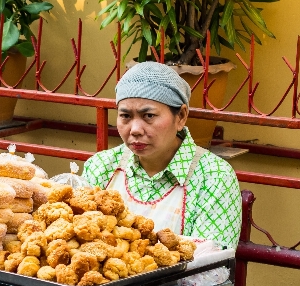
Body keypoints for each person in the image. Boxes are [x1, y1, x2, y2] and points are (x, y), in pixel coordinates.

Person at [82, 62, 242, 249]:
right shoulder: (101, 167)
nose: (135, 130)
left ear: (181, 116)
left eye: (148, 115)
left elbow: (211, 267)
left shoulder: (214, 177)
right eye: (125, 116)